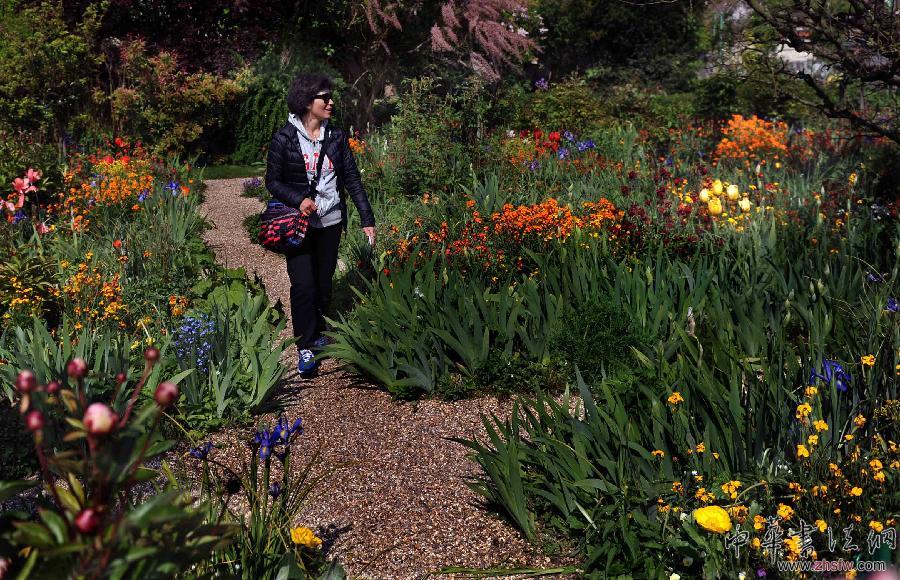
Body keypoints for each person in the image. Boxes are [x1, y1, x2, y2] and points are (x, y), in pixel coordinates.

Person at [265, 73, 376, 377]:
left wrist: (367, 219)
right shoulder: (284, 138)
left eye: (330, 97)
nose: (330, 102)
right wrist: (299, 199)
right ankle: (305, 345)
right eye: (324, 97)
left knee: (323, 285)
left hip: (331, 222)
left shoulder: (336, 137)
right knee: (303, 285)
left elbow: (352, 179)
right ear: (306, 101)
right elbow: (272, 181)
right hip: (298, 225)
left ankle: (318, 332)